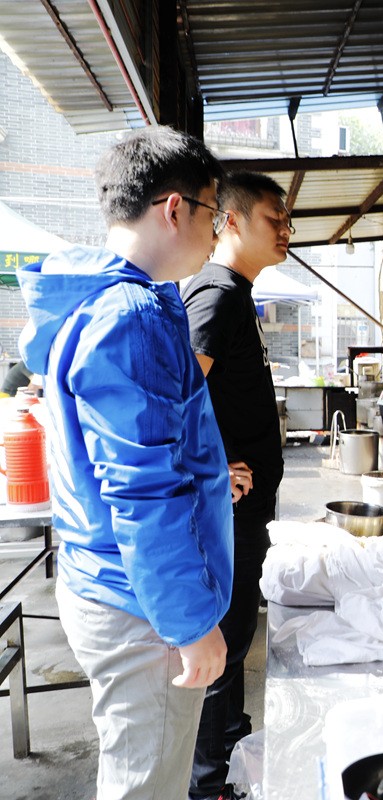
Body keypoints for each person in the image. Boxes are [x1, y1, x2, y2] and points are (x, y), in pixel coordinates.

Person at [16, 126, 234, 800]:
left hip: (106, 579)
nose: (217, 234)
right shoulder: (132, 316)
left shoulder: (93, 299)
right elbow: (143, 492)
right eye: (213, 213)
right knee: (146, 785)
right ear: (175, 208)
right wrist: (191, 623)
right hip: (140, 601)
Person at [181, 171, 290, 800]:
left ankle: (229, 753)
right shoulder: (217, 295)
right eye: (275, 217)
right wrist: (211, 470)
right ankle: (209, 784)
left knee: (237, 638)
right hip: (227, 513)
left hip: (244, 512)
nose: (286, 229)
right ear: (230, 220)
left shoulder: (236, 294)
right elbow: (173, 397)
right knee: (221, 648)